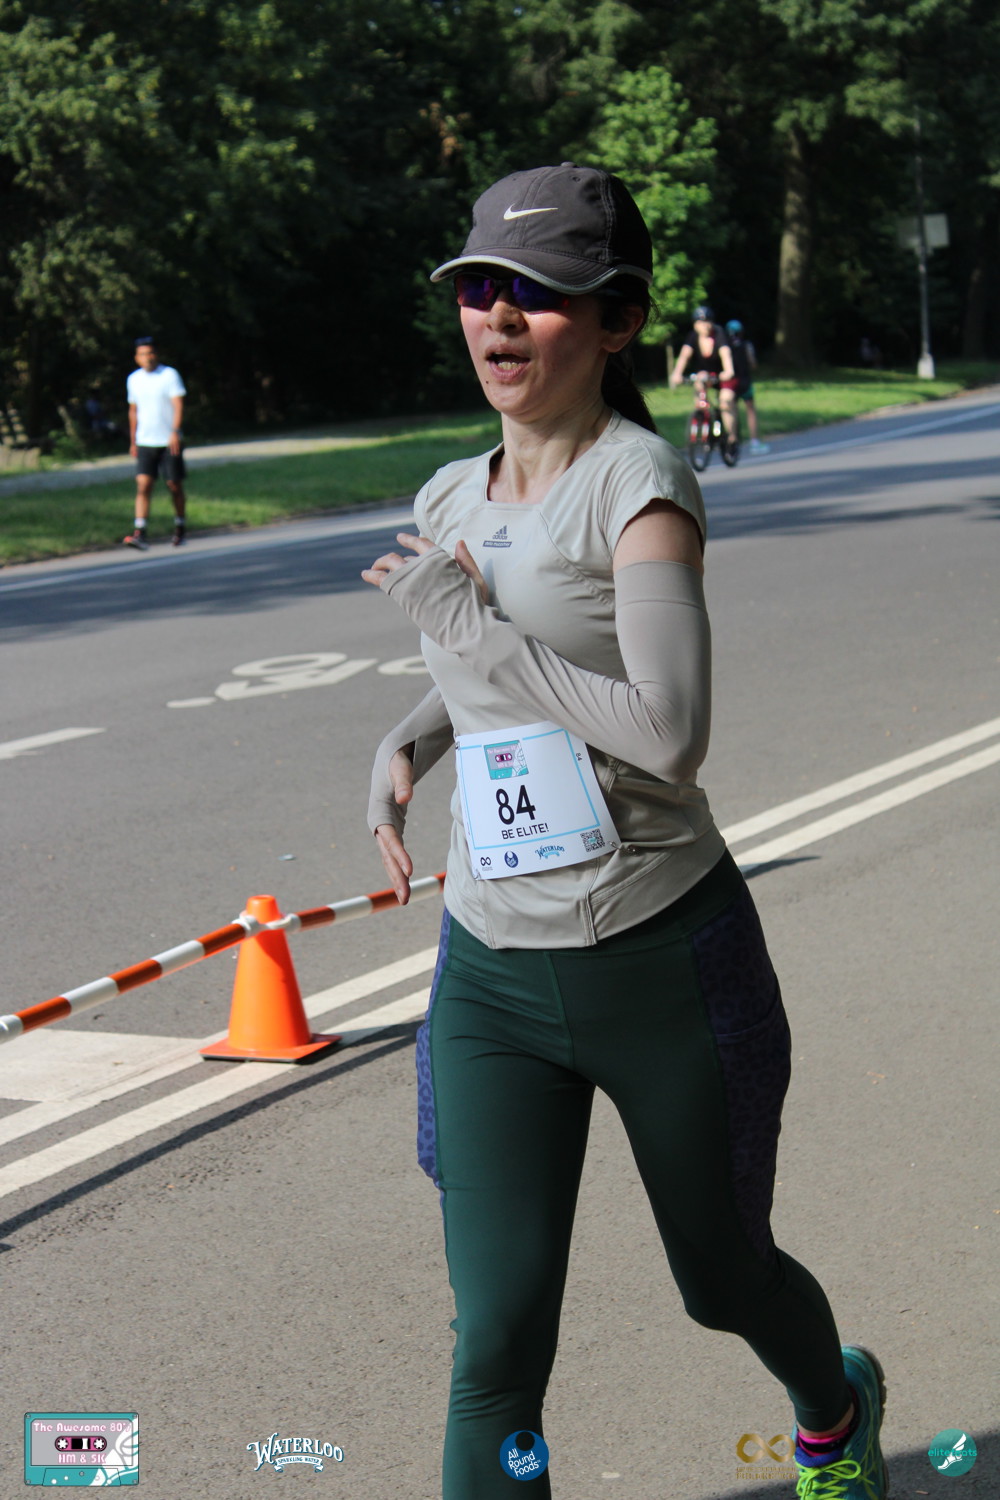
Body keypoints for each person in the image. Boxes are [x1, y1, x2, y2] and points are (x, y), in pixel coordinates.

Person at [361, 162, 888, 1500]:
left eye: (537, 294)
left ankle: (833, 1410)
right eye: (481, 287)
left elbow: (666, 731)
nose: (499, 317)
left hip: (662, 961)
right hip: (490, 969)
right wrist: (410, 738)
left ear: (616, 321)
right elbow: (496, 677)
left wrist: (473, 630)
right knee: (494, 1341)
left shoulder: (639, 487)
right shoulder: (449, 498)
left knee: (722, 1279)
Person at [123, 337, 187, 549]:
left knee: (174, 484)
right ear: (136, 358)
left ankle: (180, 526)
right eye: (143, 354)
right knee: (143, 484)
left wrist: (175, 432)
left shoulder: (169, 375)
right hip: (145, 441)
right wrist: (133, 439)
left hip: (168, 440)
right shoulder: (133, 379)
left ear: (156, 354)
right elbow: (133, 410)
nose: (147, 358)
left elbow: (178, 405)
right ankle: (140, 532)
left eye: (150, 353)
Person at [669, 305, 739, 447]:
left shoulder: (719, 334)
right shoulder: (693, 337)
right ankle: (703, 419)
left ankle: (732, 438)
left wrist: (728, 371)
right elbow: (684, 356)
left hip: (723, 375)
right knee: (699, 383)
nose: (705, 325)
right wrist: (677, 373)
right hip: (706, 375)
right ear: (695, 325)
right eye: (701, 322)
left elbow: (726, 354)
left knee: (725, 402)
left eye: (708, 321)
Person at [726, 318, 770, 454]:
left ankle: (732, 438)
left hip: (731, 382)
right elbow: (752, 363)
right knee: (750, 410)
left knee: (731, 410)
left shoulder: (725, 346)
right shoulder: (746, 345)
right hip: (745, 381)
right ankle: (754, 441)